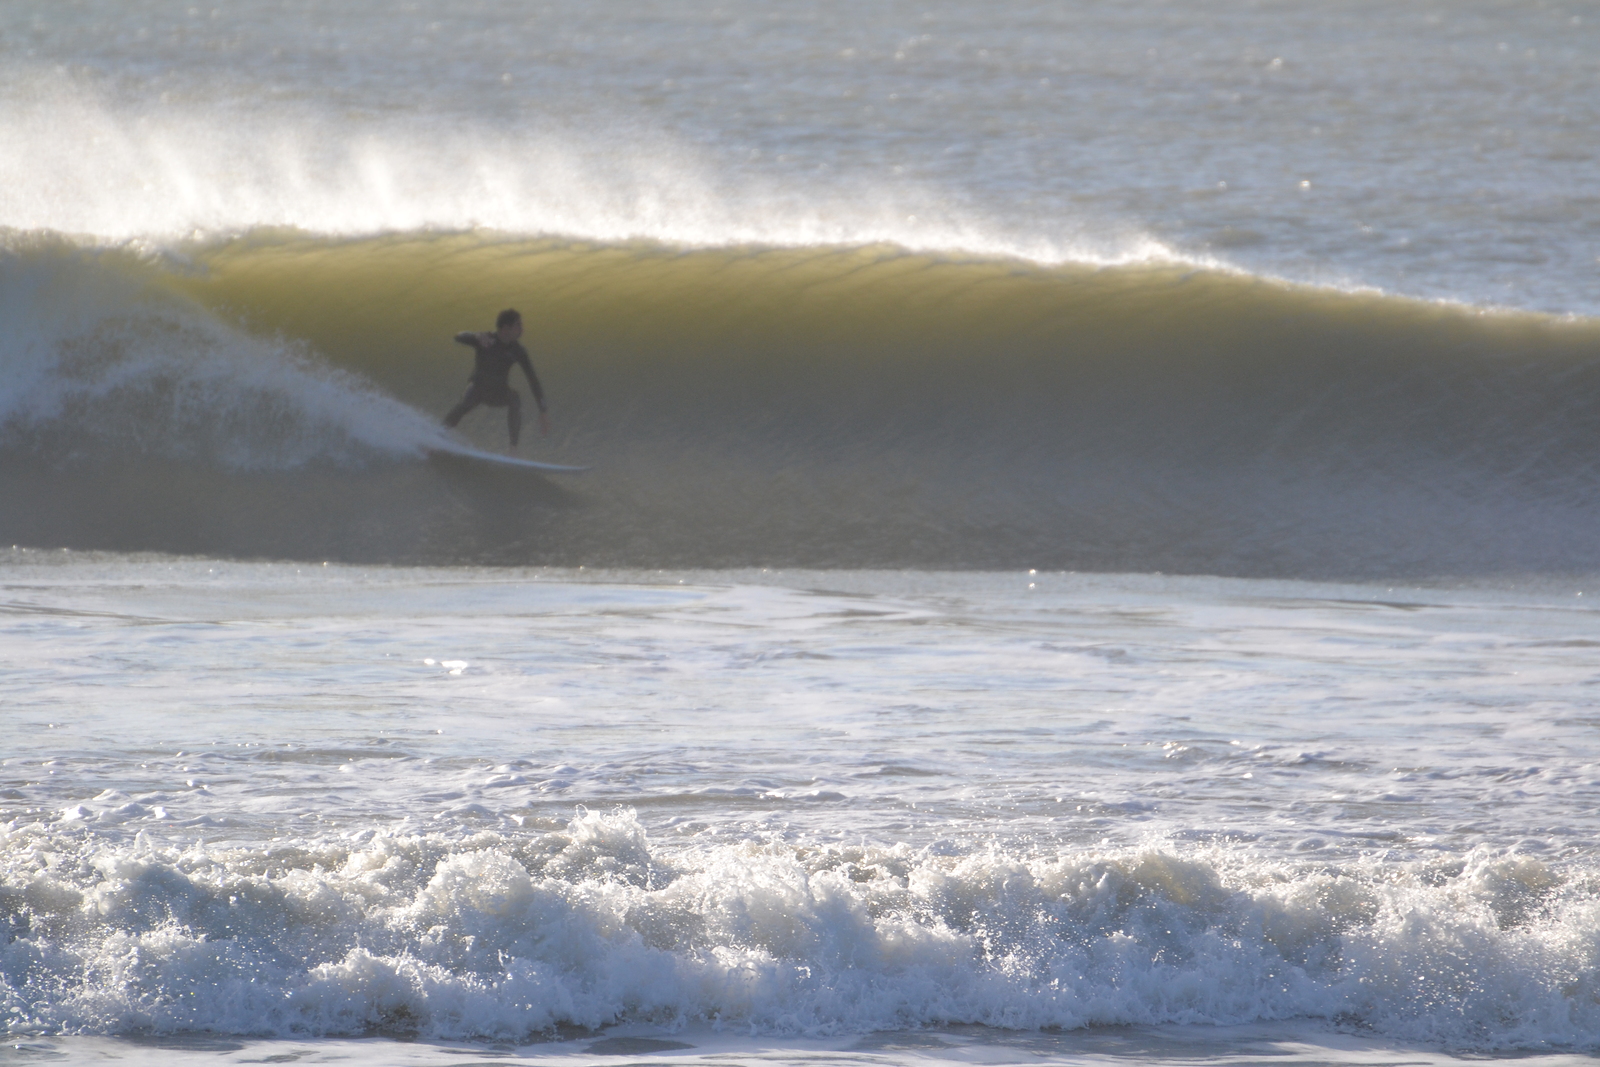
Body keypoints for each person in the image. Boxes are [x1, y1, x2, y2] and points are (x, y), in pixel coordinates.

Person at [442, 308, 549, 447]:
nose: (522, 329)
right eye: (518, 325)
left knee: (514, 399)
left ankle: (513, 451)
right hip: (478, 389)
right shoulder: (486, 340)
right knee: (465, 404)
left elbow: (533, 380)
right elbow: (458, 336)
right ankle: (439, 435)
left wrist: (543, 411)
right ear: (506, 328)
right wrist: (476, 335)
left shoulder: (518, 351)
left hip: (497, 393)